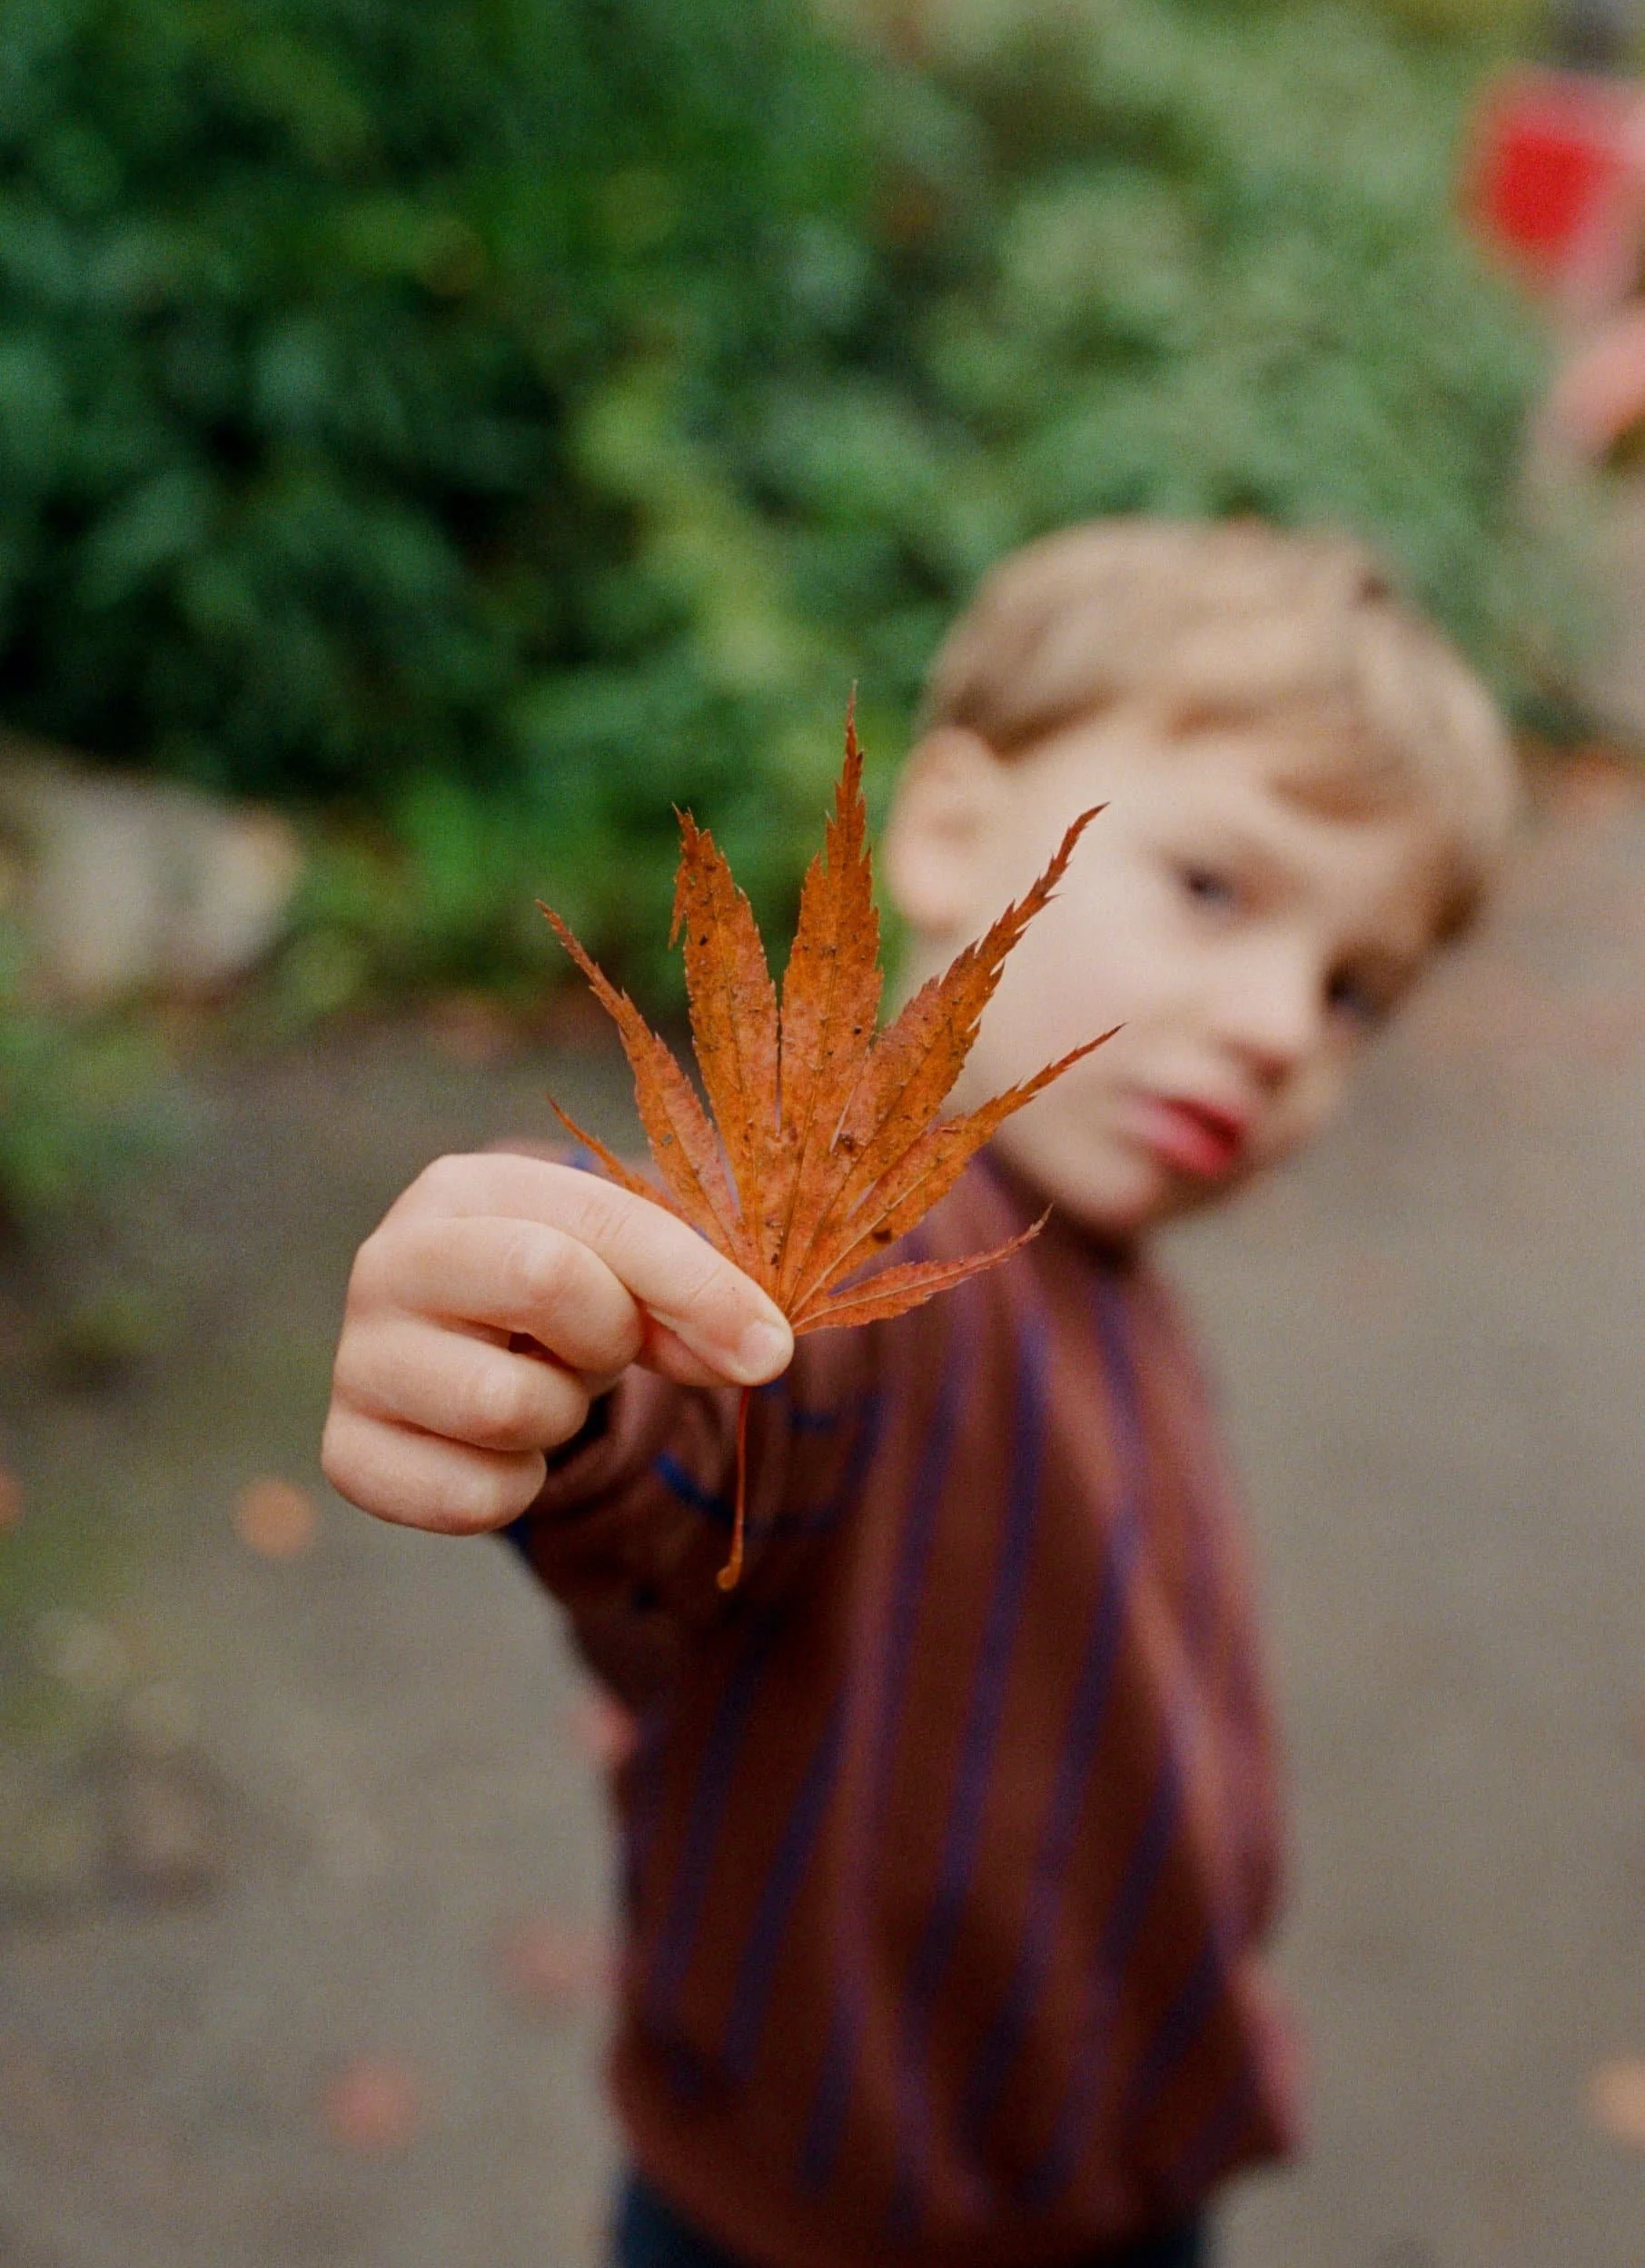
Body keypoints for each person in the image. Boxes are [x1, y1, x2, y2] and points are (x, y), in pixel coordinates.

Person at [321, 520, 1520, 2268]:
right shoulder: (876, 1232)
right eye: (1215, 888)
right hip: (836, 2214)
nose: (1279, 1026)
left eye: (1355, 993)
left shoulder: (1096, 1267)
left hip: (1104, 2161)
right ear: (954, 831)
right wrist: (555, 1346)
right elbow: (721, 1362)